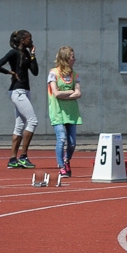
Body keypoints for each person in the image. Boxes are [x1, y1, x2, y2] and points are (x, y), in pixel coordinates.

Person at [0, 30, 39, 169]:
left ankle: (13, 159)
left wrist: (32, 54)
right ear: (22, 40)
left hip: (25, 91)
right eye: (29, 39)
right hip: (17, 91)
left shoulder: (27, 54)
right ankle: (23, 156)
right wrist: (10, 72)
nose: (31, 41)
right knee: (33, 121)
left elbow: (35, 72)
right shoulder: (13, 53)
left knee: (20, 125)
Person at [47, 46, 82, 178]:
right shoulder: (53, 73)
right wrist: (71, 92)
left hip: (71, 112)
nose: (75, 59)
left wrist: (66, 94)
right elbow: (56, 93)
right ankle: (61, 166)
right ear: (66, 58)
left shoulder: (75, 74)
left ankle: (67, 160)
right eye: (72, 57)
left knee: (72, 143)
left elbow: (78, 93)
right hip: (57, 112)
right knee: (61, 139)